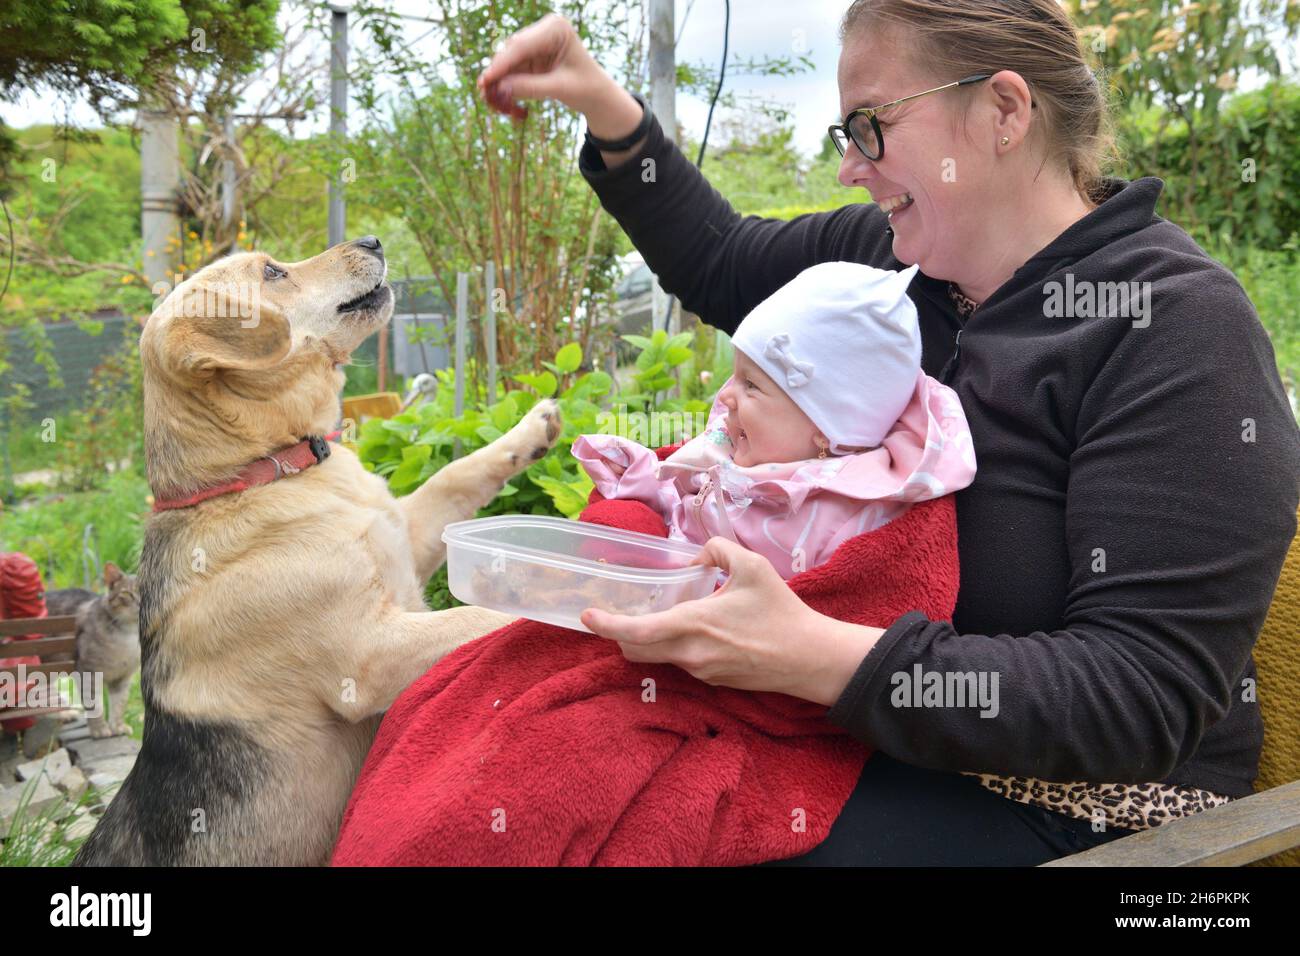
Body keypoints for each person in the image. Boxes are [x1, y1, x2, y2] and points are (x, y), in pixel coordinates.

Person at [476, 0, 1300, 864]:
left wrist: (815, 654)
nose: (847, 169)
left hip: (1083, 809)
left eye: (869, 126)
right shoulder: (887, 272)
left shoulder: (1173, 328)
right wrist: (597, 97)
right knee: (534, 767)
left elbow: (1137, 697)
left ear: (1005, 112)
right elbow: (718, 258)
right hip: (858, 739)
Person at [573, 260, 978, 581]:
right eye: (734, 374)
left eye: (751, 385)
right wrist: (643, 485)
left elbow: (820, 619)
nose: (726, 395)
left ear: (826, 428)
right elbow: (682, 509)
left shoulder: (846, 519)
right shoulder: (731, 448)